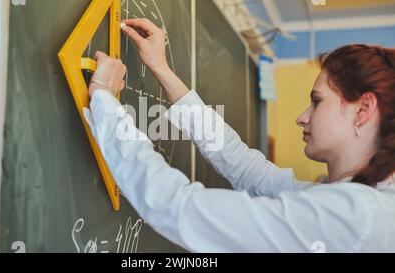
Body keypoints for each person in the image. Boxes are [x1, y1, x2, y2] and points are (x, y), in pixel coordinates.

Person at [82, 18, 395, 252]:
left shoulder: (356, 216)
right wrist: (161, 69)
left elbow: (180, 210)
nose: (302, 117)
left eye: (316, 101)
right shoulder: (358, 202)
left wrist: (105, 102)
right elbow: (245, 166)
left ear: (363, 109)